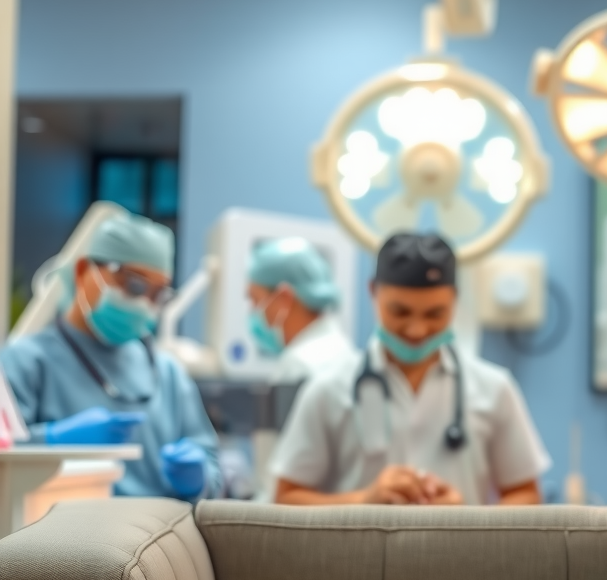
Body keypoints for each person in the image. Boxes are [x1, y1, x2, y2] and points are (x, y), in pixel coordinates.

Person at [272, 232, 549, 506]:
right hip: (361, 539)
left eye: (435, 314)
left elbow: (526, 493)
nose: (417, 330)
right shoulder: (328, 389)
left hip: (462, 539)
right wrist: (364, 501)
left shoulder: (494, 389)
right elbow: (286, 497)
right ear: (372, 292)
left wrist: (465, 520)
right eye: (400, 312)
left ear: (455, 300)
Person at [1, 212, 221, 500]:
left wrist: (198, 479)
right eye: (134, 284)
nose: (143, 303)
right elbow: (4, 463)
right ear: (83, 271)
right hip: (65, 527)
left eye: (157, 294)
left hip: (159, 526)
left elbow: (212, 469)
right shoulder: (25, 362)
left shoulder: (168, 374)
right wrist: (52, 440)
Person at [246, 237, 355, 384]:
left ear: (284, 298)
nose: (252, 310)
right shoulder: (346, 354)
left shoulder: (297, 368)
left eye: (255, 299)